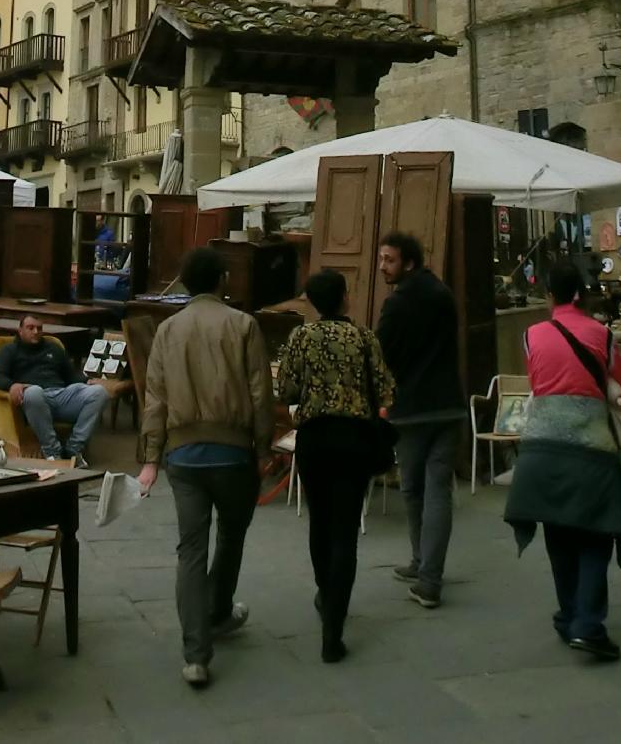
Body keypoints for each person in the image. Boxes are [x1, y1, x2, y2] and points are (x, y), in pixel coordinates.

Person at [138, 246, 274, 690]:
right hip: (233, 452)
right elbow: (259, 393)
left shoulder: (167, 331)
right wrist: (262, 447)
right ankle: (217, 611)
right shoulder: (244, 325)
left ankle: (195, 654)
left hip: (182, 454)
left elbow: (154, 397)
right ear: (221, 280)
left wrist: (151, 458)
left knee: (190, 550)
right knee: (232, 535)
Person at [503, 261, 621, 663]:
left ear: (550, 294)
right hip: (590, 451)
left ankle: (569, 613)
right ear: (579, 294)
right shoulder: (601, 335)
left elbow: (538, 382)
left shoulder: (531, 335)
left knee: (560, 537)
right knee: (595, 537)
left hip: (541, 451)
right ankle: (588, 624)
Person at [275, 268, 395, 663]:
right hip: (355, 439)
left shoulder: (300, 337)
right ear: (344, 298)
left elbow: (286, 389)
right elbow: (386, 388)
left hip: (315, 439)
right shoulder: (364, 337)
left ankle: (325, 593)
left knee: (320, 524)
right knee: (345, 531)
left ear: (312, 302)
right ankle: (333, 628)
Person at [373, 231, 461, 610]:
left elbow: (381, 354)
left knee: (413, 489)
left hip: (411, 409)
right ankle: (426, 570)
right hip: (449, 405)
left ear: (408, 262)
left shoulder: (398, 304)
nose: (381, 267)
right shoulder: (443, 294)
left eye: (388, 260)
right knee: (438, 489)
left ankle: (425, 572)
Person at [0, 313, 108, 465]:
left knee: (99, 392)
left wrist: (89, 381)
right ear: (20, 331)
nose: (35, 332)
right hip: (33, 401)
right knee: (34, 392)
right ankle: (52, 451)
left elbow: (71, 376)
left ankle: (74, 448)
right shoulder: (9, 350)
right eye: (30, 328)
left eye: (39, 328)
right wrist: (11, 385)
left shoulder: (53, 348)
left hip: (60, 395)